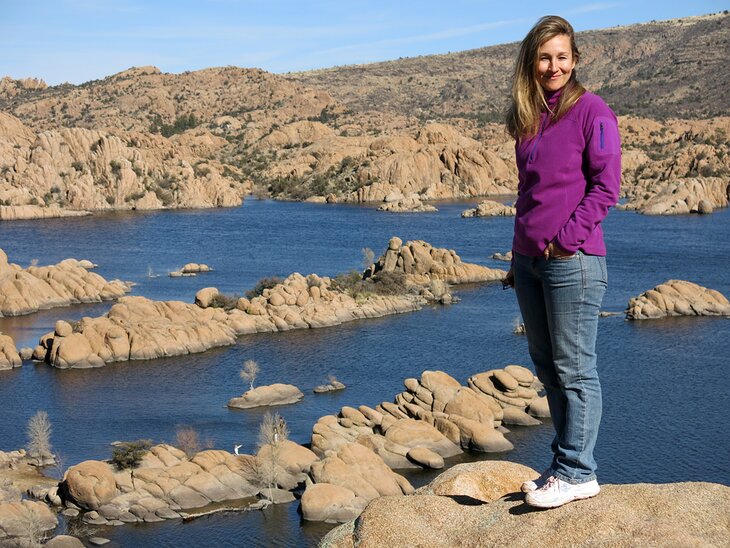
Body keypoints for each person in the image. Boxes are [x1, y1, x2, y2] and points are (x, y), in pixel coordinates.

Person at [503, 15, 621, 509]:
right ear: (532, 61)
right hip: (530, 261)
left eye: (563, 57)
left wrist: (565, 241)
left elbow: (607, 188)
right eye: (545, 57)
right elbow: (528, 194)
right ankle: (562, 464)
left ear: (575, 60)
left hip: (571, 260)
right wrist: (519, 255)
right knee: (547, 366)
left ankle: (579, 471)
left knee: (575, 369)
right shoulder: (532, 119)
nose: (554, 66)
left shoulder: (593, 111)